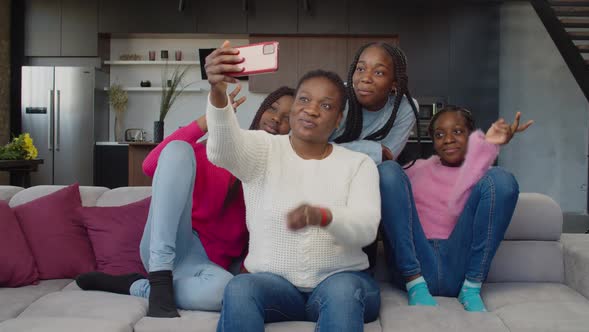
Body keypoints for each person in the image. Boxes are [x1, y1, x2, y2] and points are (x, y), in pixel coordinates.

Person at [205, 41, 381, 332]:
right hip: (276, 286)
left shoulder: (358, 164)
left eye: (325, 105)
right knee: (239, 287)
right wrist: (217, 92)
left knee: (342, 292)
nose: (311, 110)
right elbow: (221, 150)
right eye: (303, 100)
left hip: (342, 280)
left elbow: (365, 229)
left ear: (338, 119)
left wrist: (322, 216)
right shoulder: (263, 148)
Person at [76, 84, 295, 317]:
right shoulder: (220, 147)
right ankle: (159, 278)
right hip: (170, 245)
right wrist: (212, 118)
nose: (276, 119)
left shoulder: (277, 175)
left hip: (204, 270)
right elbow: (150, 165)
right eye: (272, 108)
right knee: (178, 149)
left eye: (287, 117)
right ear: (261, 110)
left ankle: (137, 286)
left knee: (227, 292)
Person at [379, 106, 533, 312]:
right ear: (433, 141)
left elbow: (465, 191)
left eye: (458, 132)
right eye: (439, 134)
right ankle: (415, 285)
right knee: (387, 171)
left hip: (460, 267)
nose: (448, 139)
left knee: (502, 178)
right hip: (415, 265)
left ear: (472, 136)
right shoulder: (415, 170)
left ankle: (471, 289)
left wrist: (487, 146)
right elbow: (392, 203)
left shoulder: (482, 177)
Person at [332, 41, 418, 165]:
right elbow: (307, 147)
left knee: (390, 171)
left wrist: (332, 148)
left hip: (371, 171)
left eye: (379, 72)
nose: (366, 78)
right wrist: (373, 150)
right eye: (360, 69)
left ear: (394, 83)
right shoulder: (336, 96)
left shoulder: (404, 107)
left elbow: (387, 157)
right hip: (325, 169)